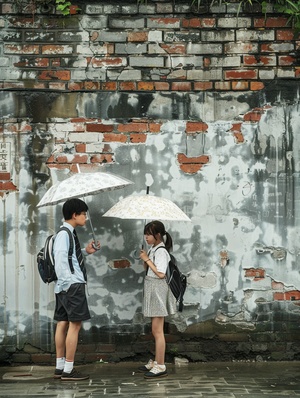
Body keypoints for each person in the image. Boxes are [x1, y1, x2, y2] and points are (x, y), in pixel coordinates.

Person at [53, 198, 100, 381]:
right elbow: (61, 260)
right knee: (74, 325)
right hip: (71, 286)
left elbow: (70, 255)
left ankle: (60, 367)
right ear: (75, 215)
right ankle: (69, 370)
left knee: (62, 324)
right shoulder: (65, 234)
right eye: (84, 214)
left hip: (65, 286)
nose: (86, 218)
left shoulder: (67, 233)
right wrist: (68, 284)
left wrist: (86, 251)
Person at [138, 220, 177, 379]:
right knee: (155, 330)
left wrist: (147, 259)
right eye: (145, 233)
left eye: (149, 234)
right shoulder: (154, 249)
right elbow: (149, 271)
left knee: (157, 330)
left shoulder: (161, 251)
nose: (146, 237)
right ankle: (156, 361)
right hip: (153, 288)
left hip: (158, 290)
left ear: (158, 235)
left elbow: (161, 274)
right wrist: (145, 259)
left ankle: (160, 365)